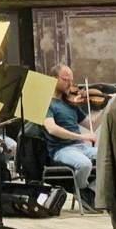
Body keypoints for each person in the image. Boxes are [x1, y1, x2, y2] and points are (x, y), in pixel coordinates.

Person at [43, 63, 98, 208]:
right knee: (85, 164)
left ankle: (91, 190)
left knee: (109, 158)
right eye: (65, 80)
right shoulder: (47, 103)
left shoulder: (70, 103)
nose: (70, 84)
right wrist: (83, 137)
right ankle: (81, 192)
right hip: (61, 150)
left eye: (71, 80)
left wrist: (108, 105)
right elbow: (52, 129)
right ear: (54, 79)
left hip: (81, 148)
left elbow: (92, 124)